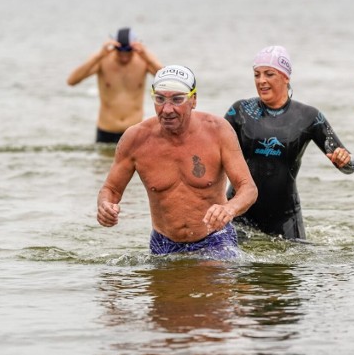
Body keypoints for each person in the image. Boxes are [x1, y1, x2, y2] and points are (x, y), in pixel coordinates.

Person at [96, 65, 258, 258]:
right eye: (160, 99)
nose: (167, 109)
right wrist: (105, 206)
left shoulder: (218, 131)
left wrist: (228, 209)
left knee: (216, 280)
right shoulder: (135, 139)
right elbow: (111, 190)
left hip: (216, 238)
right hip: (163, 243)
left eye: (177, 99)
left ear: (193, 100)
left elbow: (248, 188)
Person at [224, 45, 354, 240]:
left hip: (285, 217)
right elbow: (213, 149)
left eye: (269, 74)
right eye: (257, 74)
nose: (261, 81)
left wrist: (345, 161)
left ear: (285, 77)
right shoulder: (241, 111)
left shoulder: (309, 117)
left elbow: (350, 165)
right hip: (239, 211)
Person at [67, 27, 164, 143]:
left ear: (135, 47)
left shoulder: (144, 61)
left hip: (134, 130)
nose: (124, 55)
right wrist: (98, 56)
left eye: (128, 51)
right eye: (120, 51)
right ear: (114, 47)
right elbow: (72, 81)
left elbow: (168, 80)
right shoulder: (102, 60)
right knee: (103, 161)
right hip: (106, 130)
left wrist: (148, 57)